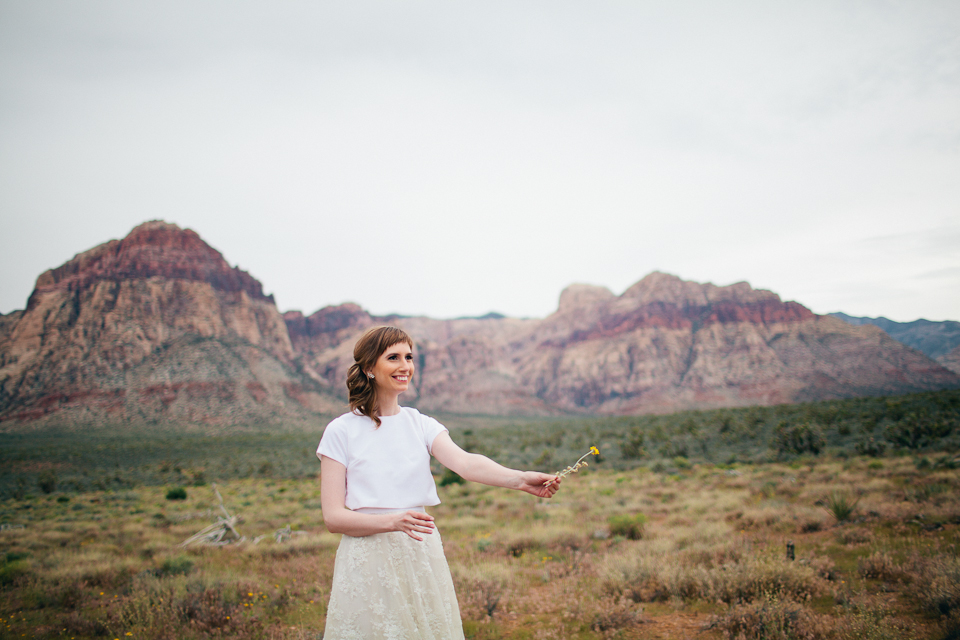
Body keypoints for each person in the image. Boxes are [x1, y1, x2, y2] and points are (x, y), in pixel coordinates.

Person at [317, 326, 561, 639]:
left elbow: (467, 464)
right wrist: (393, 521)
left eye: (409, 357)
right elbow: (333, 518)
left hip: (419, 551)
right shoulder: (341, 431)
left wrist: (521, 479)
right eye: (393, 357)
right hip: (367, 560)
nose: (405, 366)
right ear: (369, 369)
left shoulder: (420, 423)